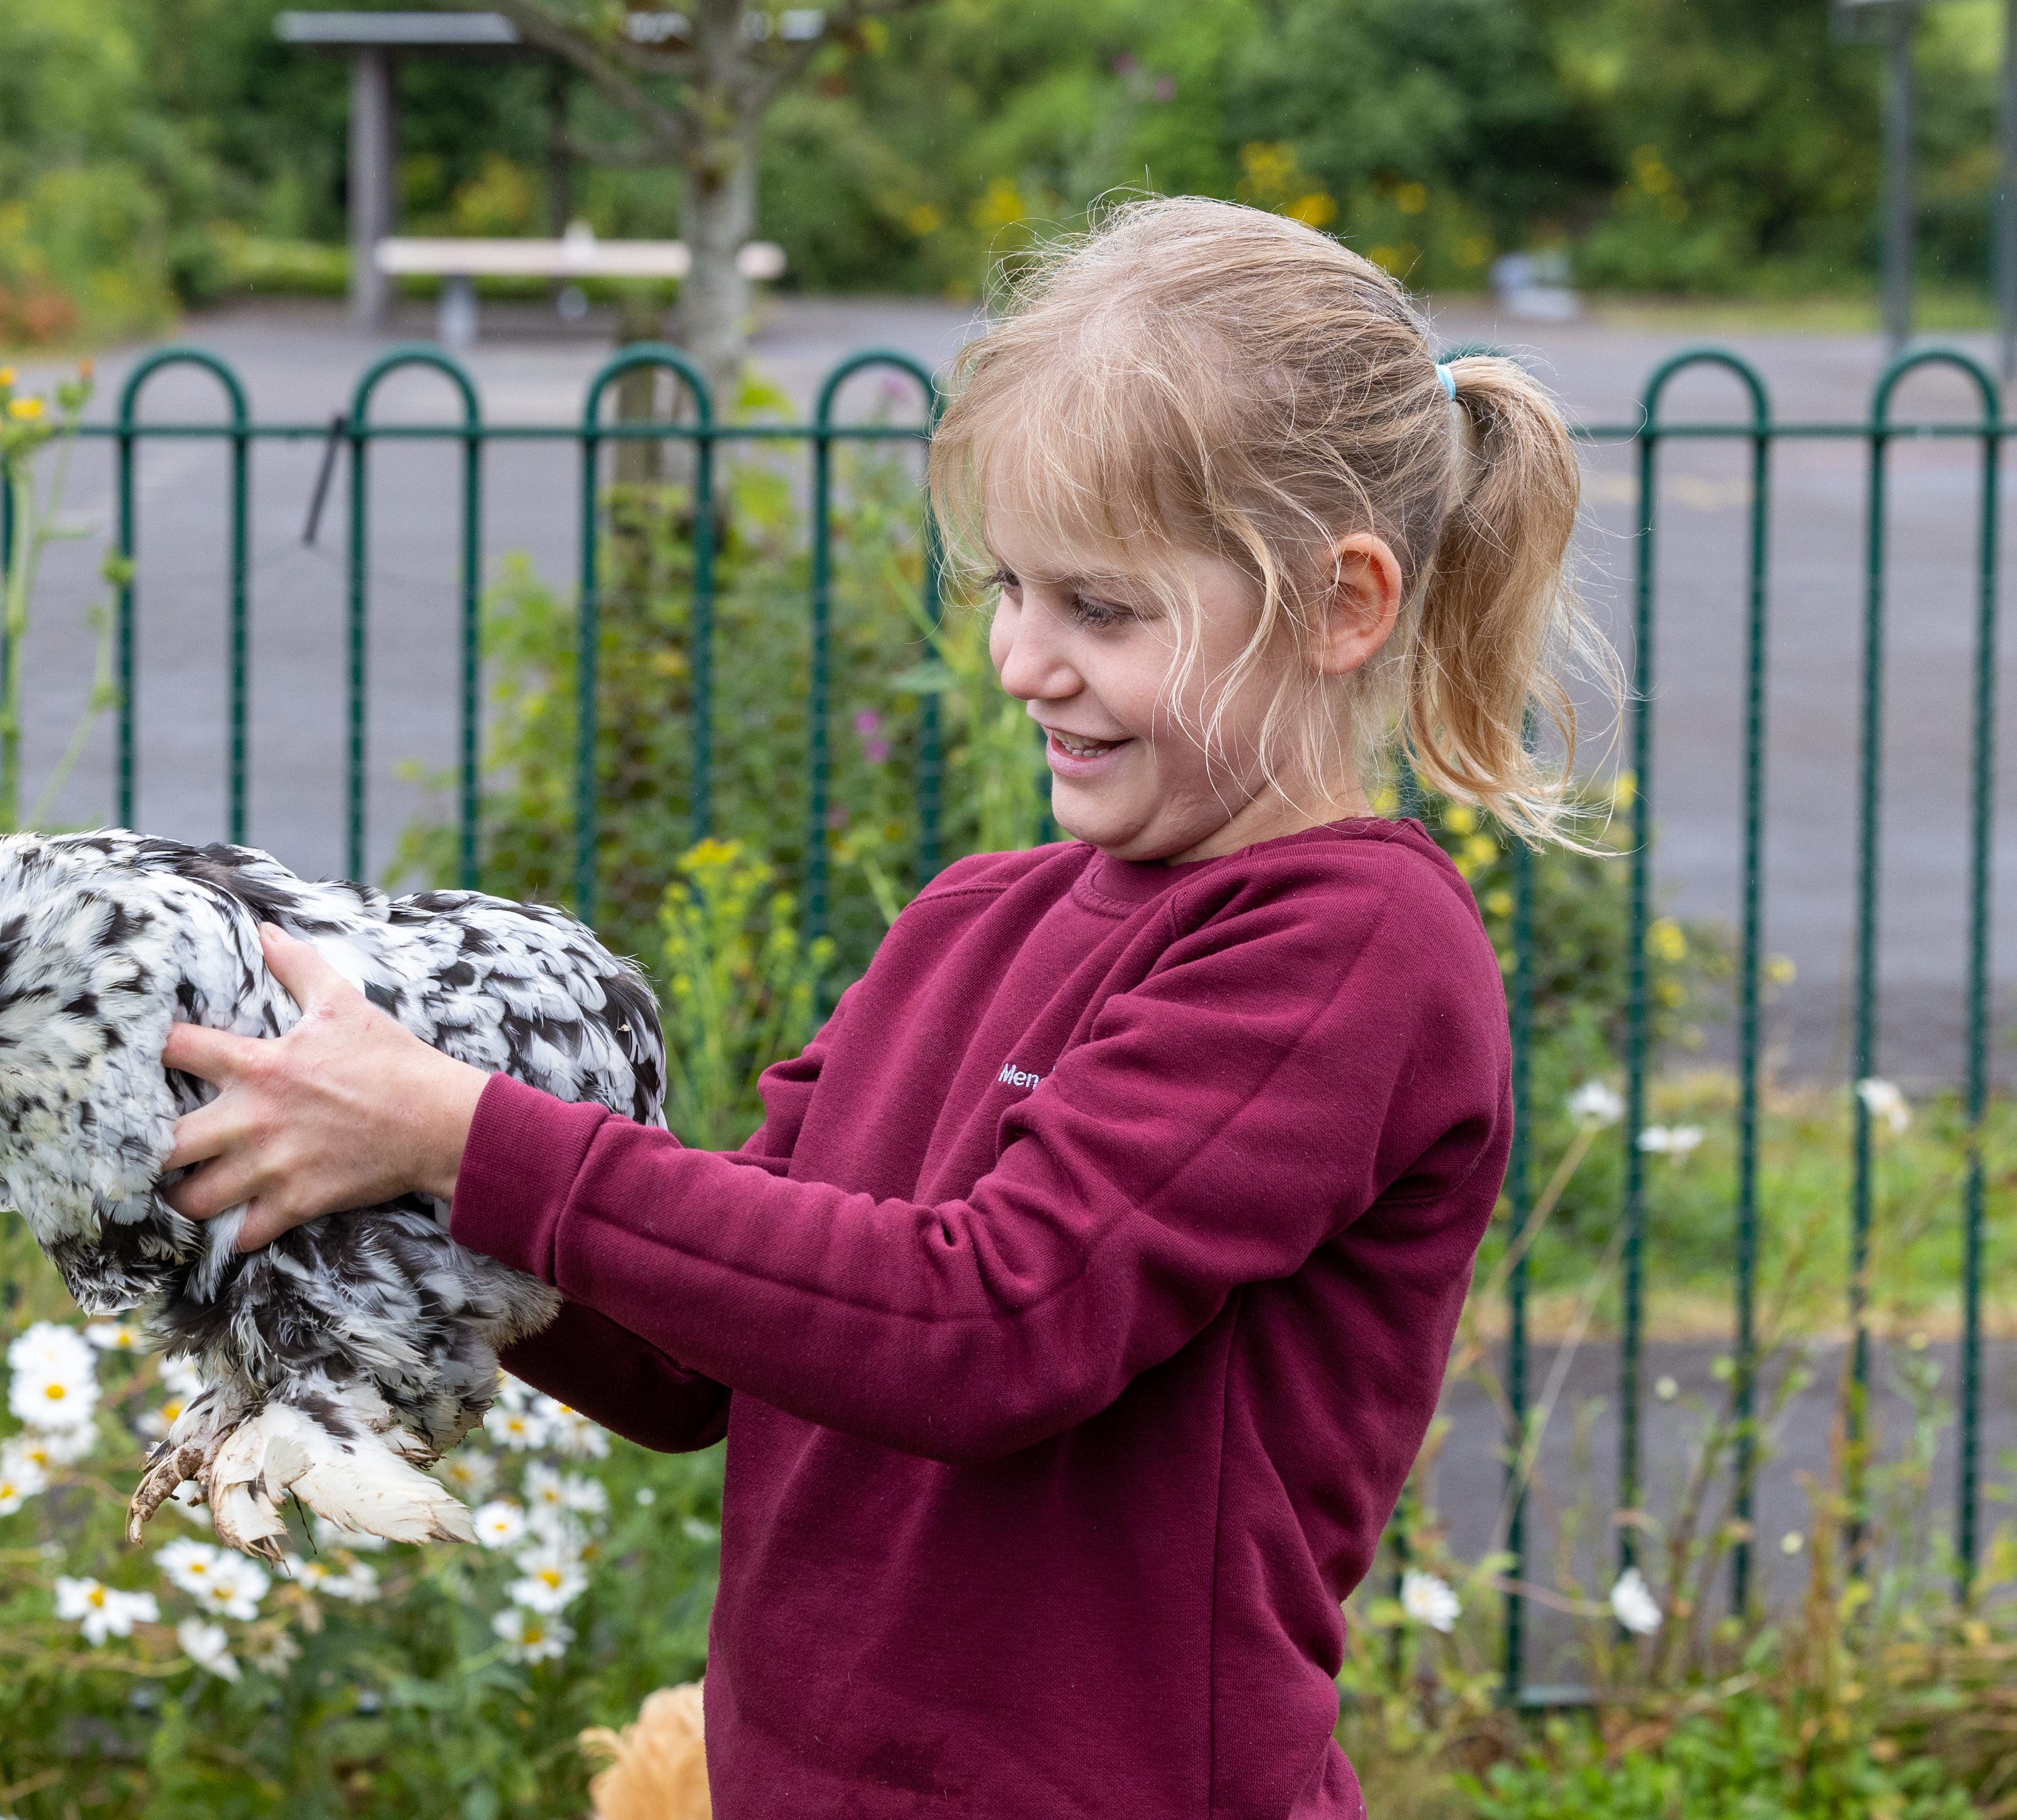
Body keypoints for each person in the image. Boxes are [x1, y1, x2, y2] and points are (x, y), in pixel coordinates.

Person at [155, 196, 1600, 1817]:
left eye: (1099, 610)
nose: (1017, 659)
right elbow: (701, 1366)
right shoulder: (968, 923)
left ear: (1341, 605)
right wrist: (363, 1195)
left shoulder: (1344, 942)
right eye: (1008, 588)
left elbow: (989, 1326)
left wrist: (469, 1134)